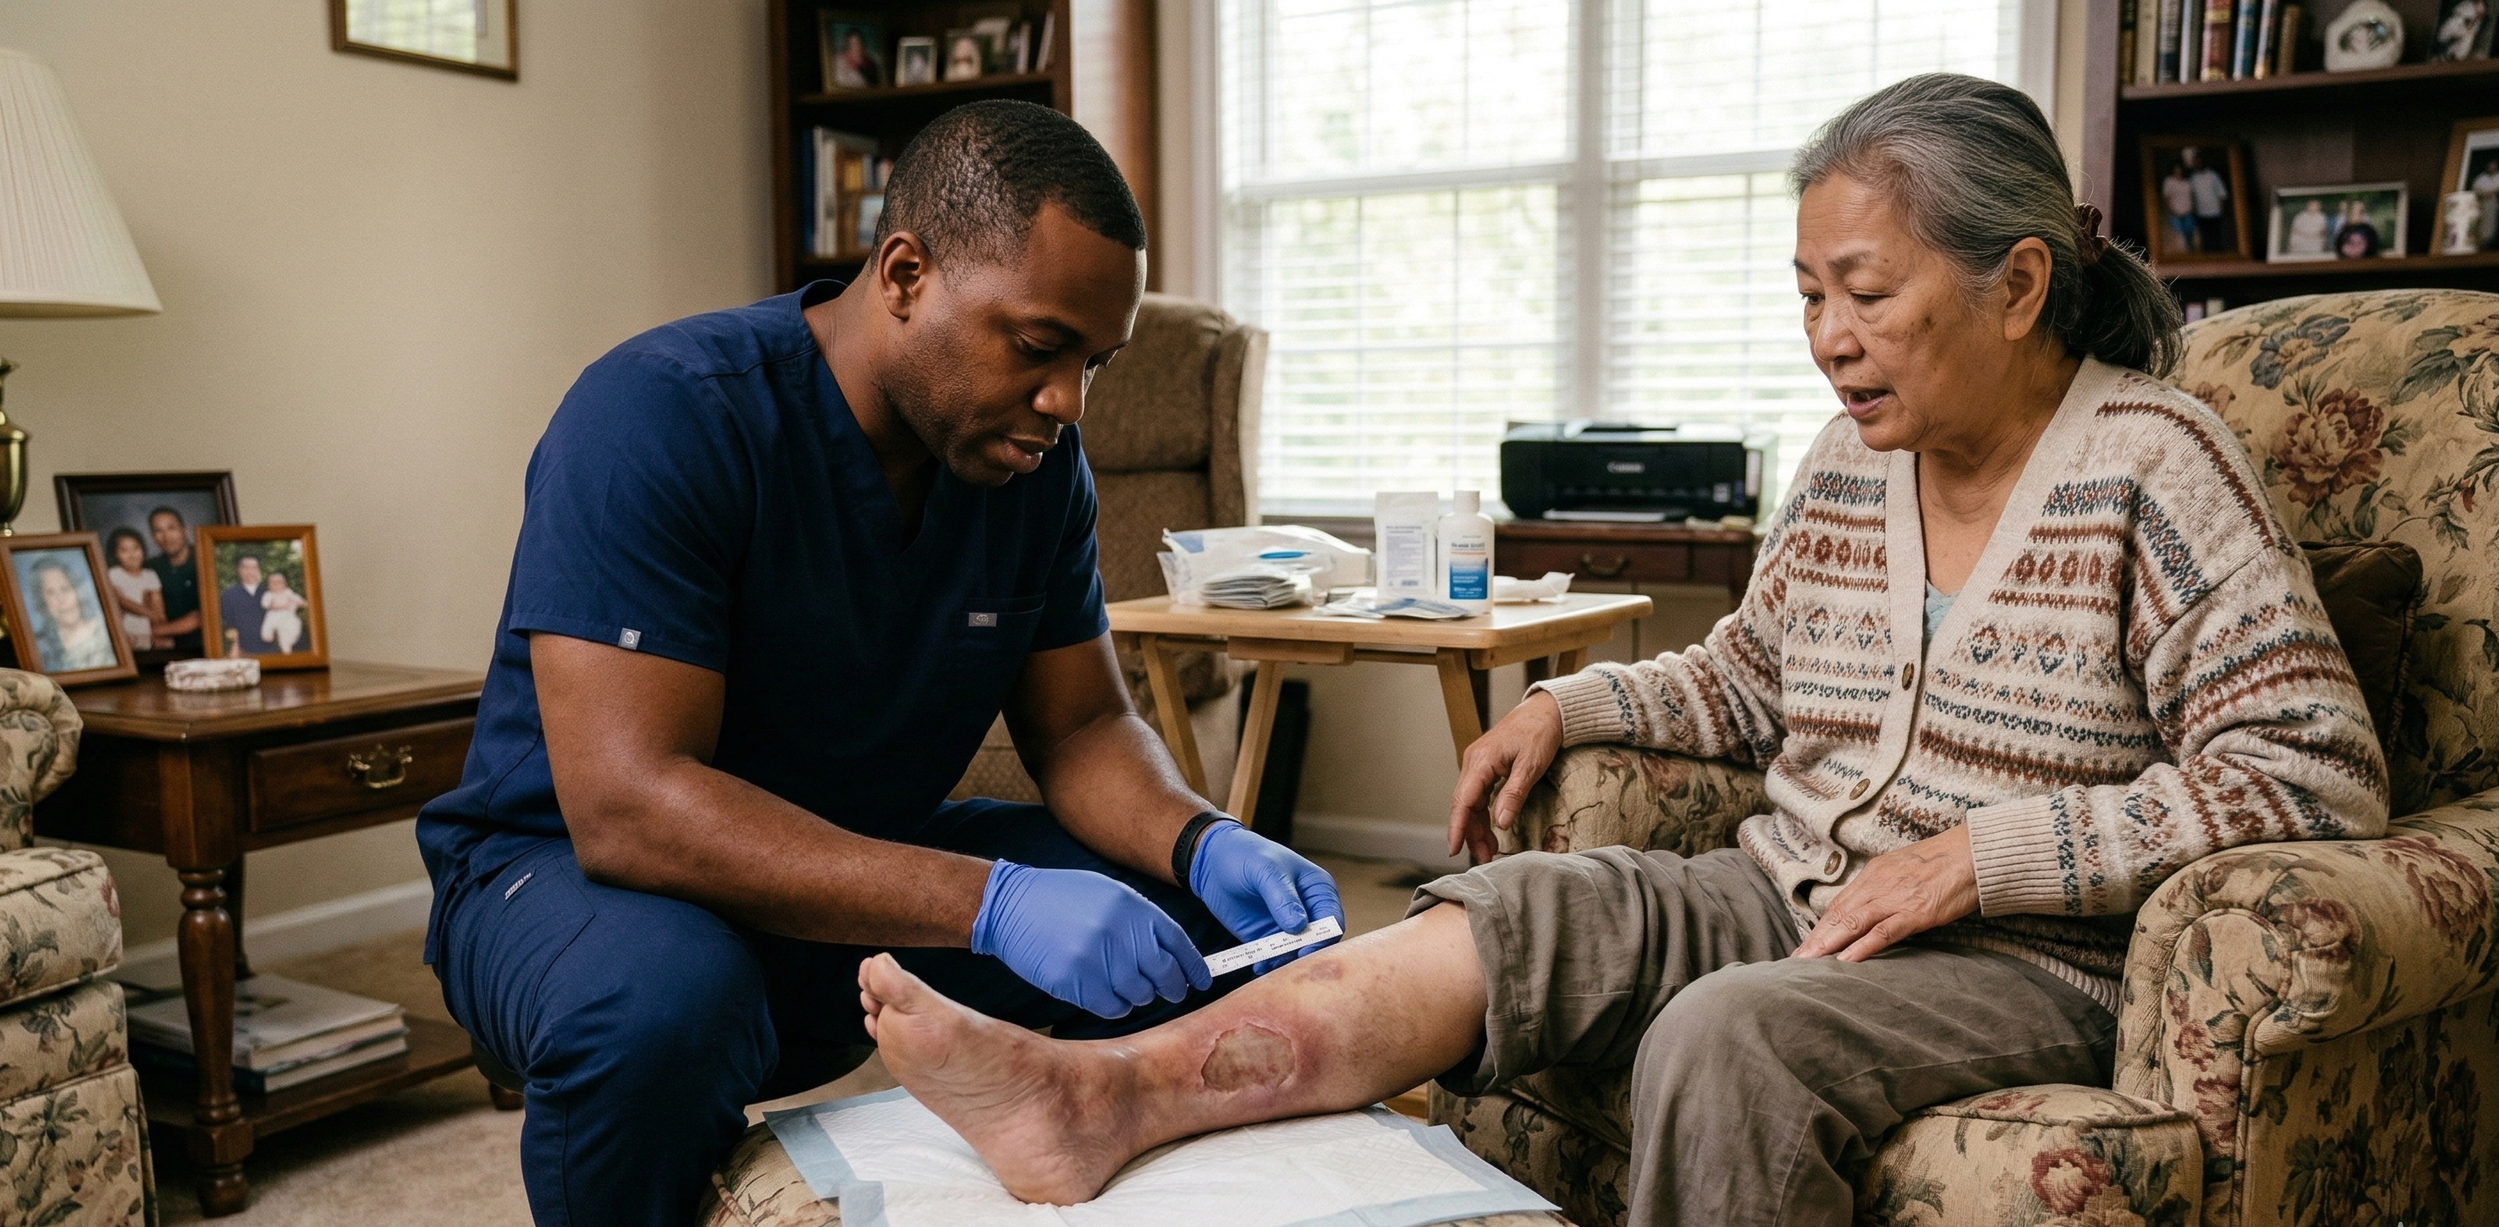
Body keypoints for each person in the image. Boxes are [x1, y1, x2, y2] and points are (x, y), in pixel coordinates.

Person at [849, 74, 2390, 1227]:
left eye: (1862, 292)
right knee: (1500, 914)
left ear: (2018, 282)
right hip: (1782, 887)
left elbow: (2309, 774)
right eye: (1805, 294)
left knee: (1729, 1034)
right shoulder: (1851, 460)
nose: (1825, 337)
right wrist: (1567, 702)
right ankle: (1097, 1094)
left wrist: (1976, 859)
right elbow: (1744, 676)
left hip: (2020, 959)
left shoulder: (2150, 463)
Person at [416, 100, 1341, 1226]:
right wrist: (992, 904)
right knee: (659, 1011)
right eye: (1041, 347)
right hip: (572, 876)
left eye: (1095, 363)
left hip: (855, 858)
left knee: (1189, 933)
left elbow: (1085, 730)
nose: (1068, 403)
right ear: (904, 273)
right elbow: (629, 806)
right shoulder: (660, 414)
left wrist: (1203, 842)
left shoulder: (1038, 469)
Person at [27, 555, 116, 672]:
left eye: (65, 589)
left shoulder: (105, 631)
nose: (61, 599)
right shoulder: (39, 646)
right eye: (51, 592)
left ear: (77, 591)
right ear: (42, 601)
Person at [144, 506, 203, 655]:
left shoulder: (204, 557)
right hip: (162, 651)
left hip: (203, 647)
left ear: (184, 530)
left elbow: (204, 616)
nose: (166, 536)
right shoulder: (149, 568)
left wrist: (153, 631)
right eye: (158, 531)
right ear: (152, 537)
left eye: (171, 528)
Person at [103, 528, 163, 651]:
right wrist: (150, 614)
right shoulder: (114, 574)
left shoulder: (150, 575)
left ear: (143, 549)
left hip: (146, 631)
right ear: (115, 554)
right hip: (124, 631)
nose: (132, 554)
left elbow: (157, 603)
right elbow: (121, 601)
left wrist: (160, 620)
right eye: (124, 550)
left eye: (136, 548)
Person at [218, 554, 272, 657]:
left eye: (254, 568)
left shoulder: (268, 593)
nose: (250, 571)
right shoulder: (229, 594)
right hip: (241, 651)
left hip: (271, 650)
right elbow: (227, 624)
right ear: (239, 570)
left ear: (258, 570)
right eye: (246, 567)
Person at [2183, 145, 2231, 252]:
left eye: (2199, 160)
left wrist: (2220, 210)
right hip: (2201, 213)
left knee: (2217, 237)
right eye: (2195, 161)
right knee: (2205, 238)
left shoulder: (2213, 175)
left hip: (2215, 212)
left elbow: (2221, 194)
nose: (2197, 163)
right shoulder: (2192, 178)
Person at [260, 570, 307, 654]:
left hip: (288, 618)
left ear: (285, 584)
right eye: (272, 582)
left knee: (291, 630)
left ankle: (288, 647)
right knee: (267, 625)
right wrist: (273, 605)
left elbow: (300, 601)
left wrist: (301, 602)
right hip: (273, 616)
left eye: (279, 582)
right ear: (268, 585)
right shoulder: (268, 594)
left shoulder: (288, 593)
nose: (276, 584)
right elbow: (264, 604)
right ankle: (267, 635)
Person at [2159, 160, 2197, 254]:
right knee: (2179, 235)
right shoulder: (2169, 181)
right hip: (2175, 212)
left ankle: (2190, 254)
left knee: (2189, 235)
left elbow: (2192, 196)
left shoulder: (2187, 182)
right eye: (2176, 169)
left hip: (2188, 211)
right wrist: (2170, 210)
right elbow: (2166, 197)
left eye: (2180, 169)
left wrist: (2192, 208)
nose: (2178, 171)